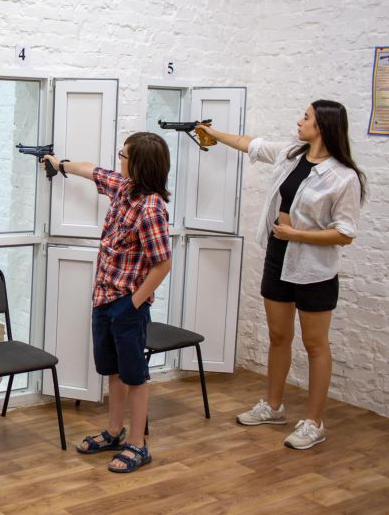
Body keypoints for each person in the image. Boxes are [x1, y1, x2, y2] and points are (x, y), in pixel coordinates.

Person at [197, 100, 365, 449]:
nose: (299, 121)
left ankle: (314, 423)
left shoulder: (344, 177)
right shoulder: (291, 153)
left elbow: (345, 234)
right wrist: (212, 133)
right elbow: (251, 144)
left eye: (306, 117)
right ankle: (273, 407)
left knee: (315, 345)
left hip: (315, 269)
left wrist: (296, 234)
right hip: (278, 257)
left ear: (323, 127)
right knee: (278, 335)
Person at [43, 132, 172, 473]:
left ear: (139, 164)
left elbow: (163, 264)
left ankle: (138, 444)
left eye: (123, 155)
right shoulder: (123, 187)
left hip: (127, 305)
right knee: (113, 371)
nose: (119, 159)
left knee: (135, 376)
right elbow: (91, 170)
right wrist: (60, 164)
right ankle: (115, 432)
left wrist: (134, 303)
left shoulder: (151, 208)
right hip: (103, 299)